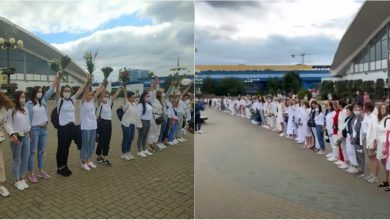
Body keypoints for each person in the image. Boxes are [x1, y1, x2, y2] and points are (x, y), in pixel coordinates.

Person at [26, 73, 59, 182]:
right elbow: (27, 119)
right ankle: (31, 173)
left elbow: (51, 88)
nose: (40, 93)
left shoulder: (44, 100)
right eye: (38, 91)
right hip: (34, 130)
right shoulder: (29, 104)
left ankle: (41, 171)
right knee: (32, 152)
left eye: (41, 91)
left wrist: (57, 77)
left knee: (41, 151)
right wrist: (30, 130)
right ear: (34, 93)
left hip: (44, 130)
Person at [55, 75, 90, 176]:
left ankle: (65, 165)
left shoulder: (72, 100)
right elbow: (57, 88)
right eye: (65, 90)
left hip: (71, 127)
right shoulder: (59, 100)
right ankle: (59, 167)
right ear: (63, 92)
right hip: (62, 127)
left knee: (67, 147)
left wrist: (87, 80)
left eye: (69, 91)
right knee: (61, 147)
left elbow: (80, 89)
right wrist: (59, 77)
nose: (67, 92)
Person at [7, 91, 31, 190]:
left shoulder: (25, 108)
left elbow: (28, 123)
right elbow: (7, 124)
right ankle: (17, 180)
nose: (23, 99)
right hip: (18, 135)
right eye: (21, 97)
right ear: (17, 98)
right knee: (17, 159)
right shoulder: (12, 110)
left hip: (25, 134)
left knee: (25, 158)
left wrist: (30, 134)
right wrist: (12, 135)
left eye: (24, 97)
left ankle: (22, 178)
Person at [95, 85, 121, 166]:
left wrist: (121, 86)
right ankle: (99, 157)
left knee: (107, 141)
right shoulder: (99, 103)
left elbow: (116, 95)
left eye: (107, 96)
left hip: (109, 123)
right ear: (101, 97)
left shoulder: (109, 102)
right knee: (101, 141)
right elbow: (101, 94)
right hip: (102, 123)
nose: (106, 97)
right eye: (104, 96)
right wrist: (104, 86)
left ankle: (104, 157)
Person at [0, 92, 18, 196]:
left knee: (0, 163)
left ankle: (0, 185)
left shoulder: (3, 108)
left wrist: (12, 134)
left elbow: (5, 123)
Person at [121, 88, 142, 160]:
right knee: (126, 138)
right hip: (126, 124)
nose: (134, 98)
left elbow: (136, 115)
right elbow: (124, 96)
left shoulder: (134, 104)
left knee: (131, 138)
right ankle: (123, 153)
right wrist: (124, 87)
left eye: (134, 97)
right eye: (133, 97)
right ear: (128, 98)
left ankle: (128, 152)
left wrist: (138, 124)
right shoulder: (126, 103)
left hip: (132, 124)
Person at [363, 101, 379, 183]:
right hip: (366, 138)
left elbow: (375, 130)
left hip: (372, 140)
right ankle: (371, 174)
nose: (363, 108)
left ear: (369, 108)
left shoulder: (373, 117)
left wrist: (375, 141)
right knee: (370, 157)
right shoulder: (366, 116)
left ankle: (375, 176)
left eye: (364, 107)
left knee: (374, 158)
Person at [375, 104, 390, 187]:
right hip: (381, 143)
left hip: (386, 144)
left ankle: (387, 181)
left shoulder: (387, 119)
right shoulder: (380, 119)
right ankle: (386, 180)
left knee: (387, 163)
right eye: (381, 109)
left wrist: (385, 147)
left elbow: (387, 134)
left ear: (386, 109)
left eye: (384, 108)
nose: (382, 110)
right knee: (384, 163)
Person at [137, 91, 154, 157]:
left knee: (145, 136)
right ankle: (139, 151)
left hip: (148, 121)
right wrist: (138, 124)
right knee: (141, 136)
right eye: (147, 96)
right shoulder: (140, 105)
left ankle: (144, 149)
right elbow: (138, 115)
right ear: (143, 97)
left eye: (149, 96)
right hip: (143, 121)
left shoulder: (149, 104)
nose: (148, 98)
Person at [351, 104, 364, 177]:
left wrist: (356, 138)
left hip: (359, 140)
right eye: (355, 110)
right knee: (357, 155)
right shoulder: (354, 119)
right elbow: (353, 130)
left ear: (361, 111)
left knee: (360, 156)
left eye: (358, 110)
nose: (356, 111)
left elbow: (361, 131)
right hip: (355, 139)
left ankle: (361, 171)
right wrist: (352, 137)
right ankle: (359, 169)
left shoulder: (362, 118)